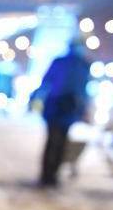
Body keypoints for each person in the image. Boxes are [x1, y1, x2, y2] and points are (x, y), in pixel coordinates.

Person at [31, 41, 91, 187]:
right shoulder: (80, 64)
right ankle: (49, 174)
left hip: (63, 108)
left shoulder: (76, 64)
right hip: (61, 108)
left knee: (55, 141)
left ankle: (49, 174)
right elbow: (82, 91)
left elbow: (46, 81)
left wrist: (35, 96)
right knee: (57, 142)